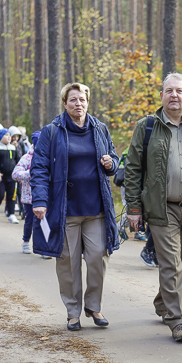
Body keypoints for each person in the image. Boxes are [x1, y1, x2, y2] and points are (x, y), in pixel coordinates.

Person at [124, 72, 182, 341]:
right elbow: (133, 169)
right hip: (161, 208)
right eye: (169, 91)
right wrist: (133, 208)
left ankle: (163, 302)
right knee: (172, 265)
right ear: (161, 95)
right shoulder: (147, 127)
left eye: (179, 91)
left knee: (181, 263)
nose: (174, 95)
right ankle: (178, 320)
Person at [31, 82, 119, 331]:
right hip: (65, 210)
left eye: (82, 99)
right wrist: (39, 200)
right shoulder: (52, 131)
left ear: (87, 102)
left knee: (98, 258)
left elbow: (114, 158)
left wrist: (111, 163)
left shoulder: (99, 128)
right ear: (64, 103)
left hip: (96, 209)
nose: (78, 104)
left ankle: (93, 306)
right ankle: (72, 312)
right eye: (73, 100)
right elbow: (39, 167)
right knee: (68, 263)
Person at [12, 130, 52, 259]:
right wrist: (30, 173)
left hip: (45, 196)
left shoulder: (49, 156)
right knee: (30, 221)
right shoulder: (27, 158)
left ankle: (44, 248)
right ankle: (25, 241)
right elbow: (15, 173)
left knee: (44, 222)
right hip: (29, 197)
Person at [0, 128, 19, 223]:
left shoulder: (13, 148)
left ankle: (11, 214)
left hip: (11, 176)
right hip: (0, 176)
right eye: (6, 135)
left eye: (9, 135)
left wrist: (18, 173)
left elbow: (17, 160)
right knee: (0, 195)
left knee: (12, 195)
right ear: (0, 137)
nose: (9, 137)